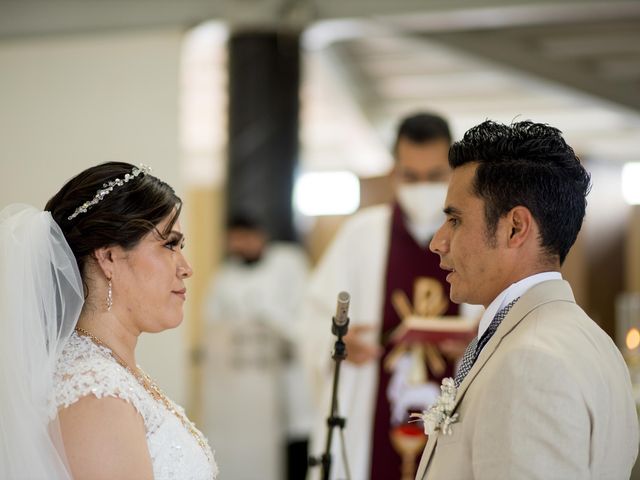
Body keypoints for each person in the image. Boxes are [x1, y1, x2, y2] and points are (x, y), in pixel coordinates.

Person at [416, 120, 639, 479]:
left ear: (515, 227)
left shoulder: (530, 361)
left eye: (455, 220)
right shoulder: (594, 342)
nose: (437, 242)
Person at [0, 162, 218, 479]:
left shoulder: (112, 371)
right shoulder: (96, 396)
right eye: (169, 244)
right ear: (109, 257)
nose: (186, 268)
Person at [302, 112, 478, 480]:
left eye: (434, 177)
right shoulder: (361, 235)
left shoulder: (477, 241)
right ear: (394, 172)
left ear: (454, 172)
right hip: (373, 405)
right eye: (410, 177)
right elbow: (311, 317)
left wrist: (475, 345)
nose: (422, 187)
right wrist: (337, 342)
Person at [202, 216, 311, 480]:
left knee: (296, 440)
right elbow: (212, 320)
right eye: (234, 240)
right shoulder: (225, 275)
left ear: (259, 235)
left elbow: (306, 311)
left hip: (290, 367)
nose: (239, 245)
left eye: (244, 238)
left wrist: (269, 314)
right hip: (248, 383)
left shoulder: (289, 262)